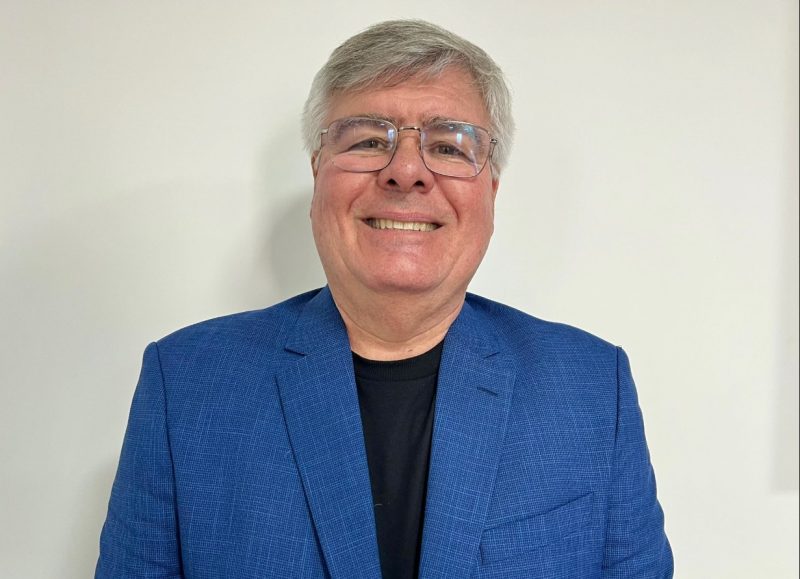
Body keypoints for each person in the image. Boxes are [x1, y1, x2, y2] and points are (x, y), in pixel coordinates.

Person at [96, 19, 673, 579]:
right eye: (370, 140)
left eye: (448, 146)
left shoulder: (592, 386)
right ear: (318, 176)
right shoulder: (187, 382)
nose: (406, 172)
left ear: (491, 192)